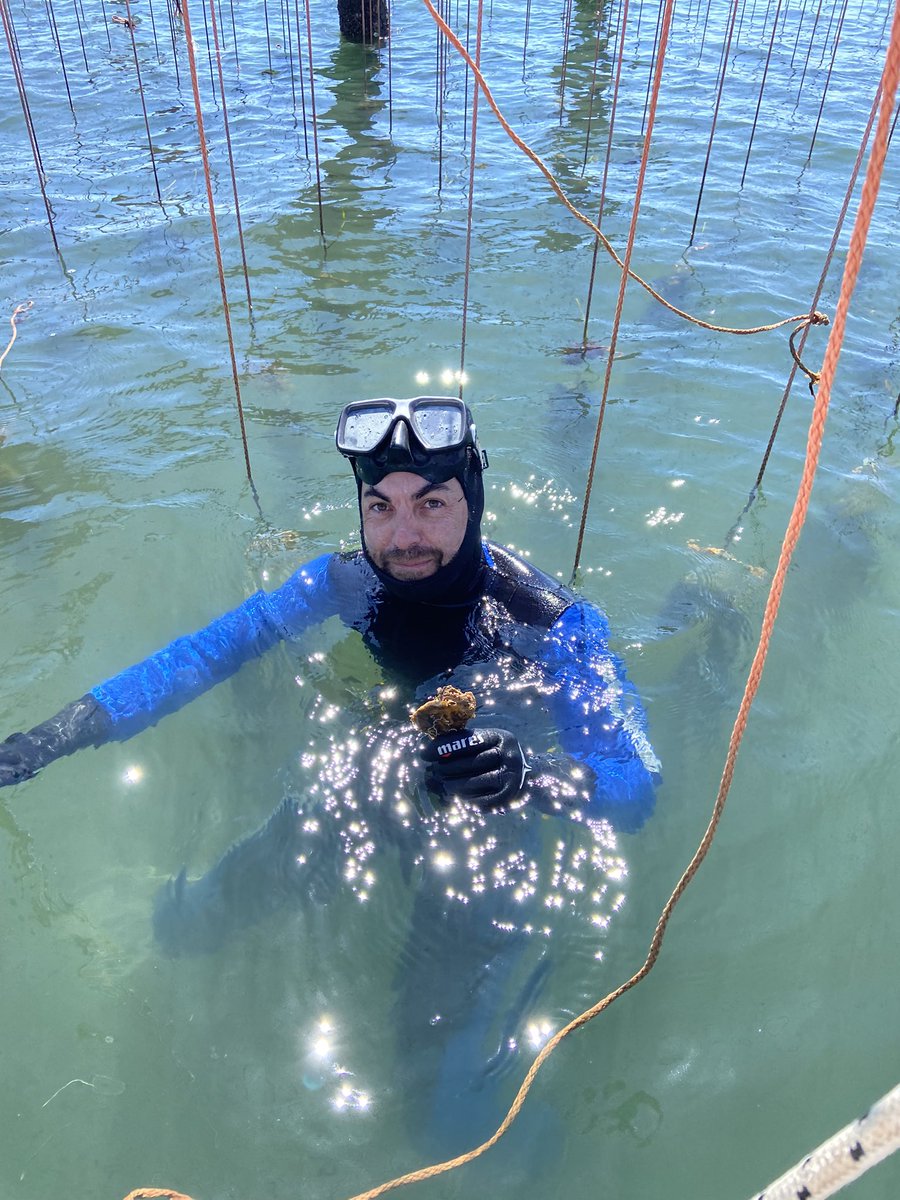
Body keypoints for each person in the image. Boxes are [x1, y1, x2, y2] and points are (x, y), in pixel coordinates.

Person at [0, 396, 660, 1156]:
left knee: (433, 1115)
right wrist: (50, 738)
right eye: (381, 507)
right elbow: (206, 652)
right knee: (184, 926)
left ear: (473, 500)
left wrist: (533, 775)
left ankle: (539, 1155)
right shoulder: (342, 583)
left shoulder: (550, 622)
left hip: (491, 819)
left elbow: (635, 783)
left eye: (431, 504)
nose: (403, 537)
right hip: (372, 774)